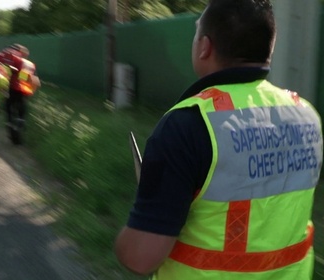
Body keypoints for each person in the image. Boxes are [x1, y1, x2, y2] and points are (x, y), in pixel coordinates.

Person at [115, 0, 323, 279]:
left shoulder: (187, 125)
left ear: (205, 47)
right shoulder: (306, 114)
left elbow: (140, 258)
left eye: (196, 32)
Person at [0, 44, 40, 143]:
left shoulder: (6, 57)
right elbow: (34, 81)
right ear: (24, 54)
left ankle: (10, 123)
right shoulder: (26, 63)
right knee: (22, 109)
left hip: (10, 88)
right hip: (22, 90)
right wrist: (32, 91)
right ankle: (19, 125)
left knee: (8, 107)